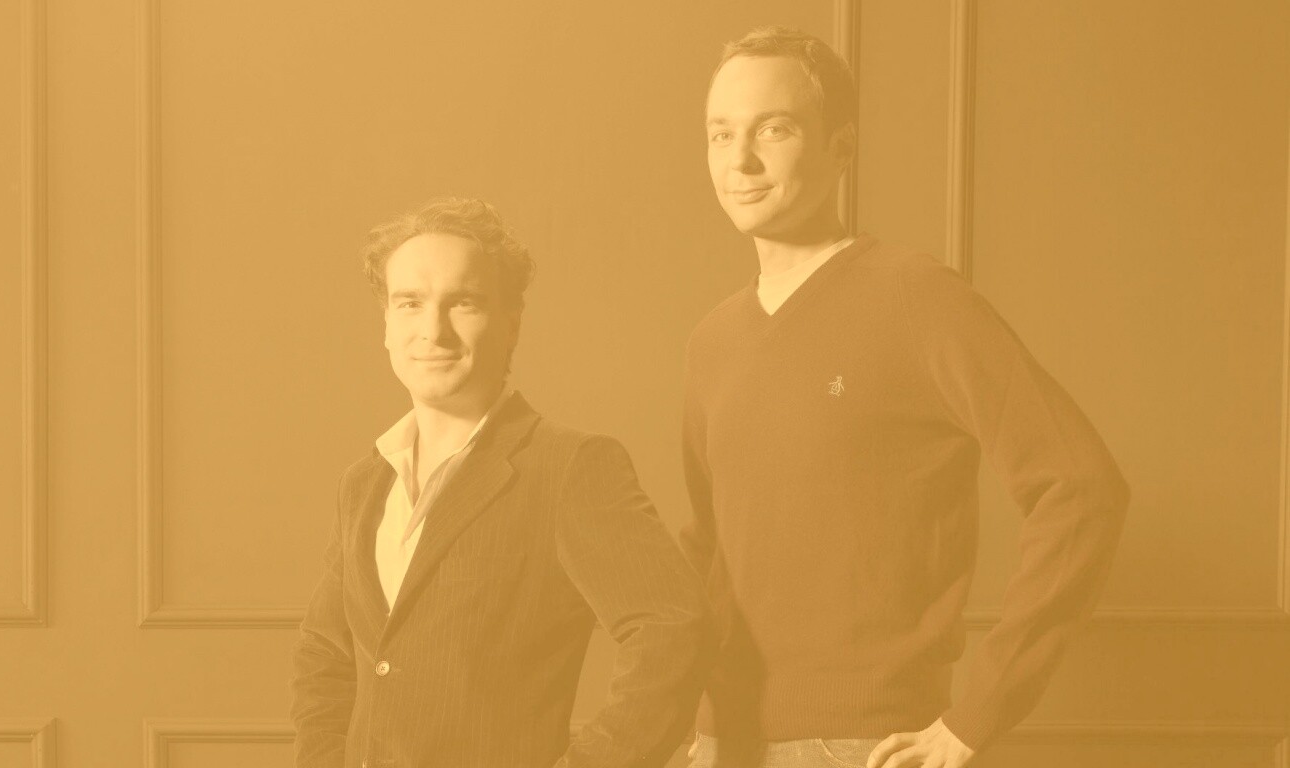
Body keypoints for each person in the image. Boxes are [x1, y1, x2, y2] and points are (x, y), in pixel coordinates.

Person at [682, 26, 1130, 768]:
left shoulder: (918, 299)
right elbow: (711, 551)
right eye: (720, 134)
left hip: (857, 746)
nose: (741, 160)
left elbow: (1081, 489)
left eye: (774, 129)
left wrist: (978, 715)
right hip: (718, 744)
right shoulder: (712, 341)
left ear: (842, 149)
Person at [290, 197, 710, 768]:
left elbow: (673, 629)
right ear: (385, 323)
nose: (432, 330)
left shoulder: (570, 468)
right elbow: (324, 653)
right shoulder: (363, 484)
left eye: (462, 302)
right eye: (410, 303)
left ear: (511, 323)